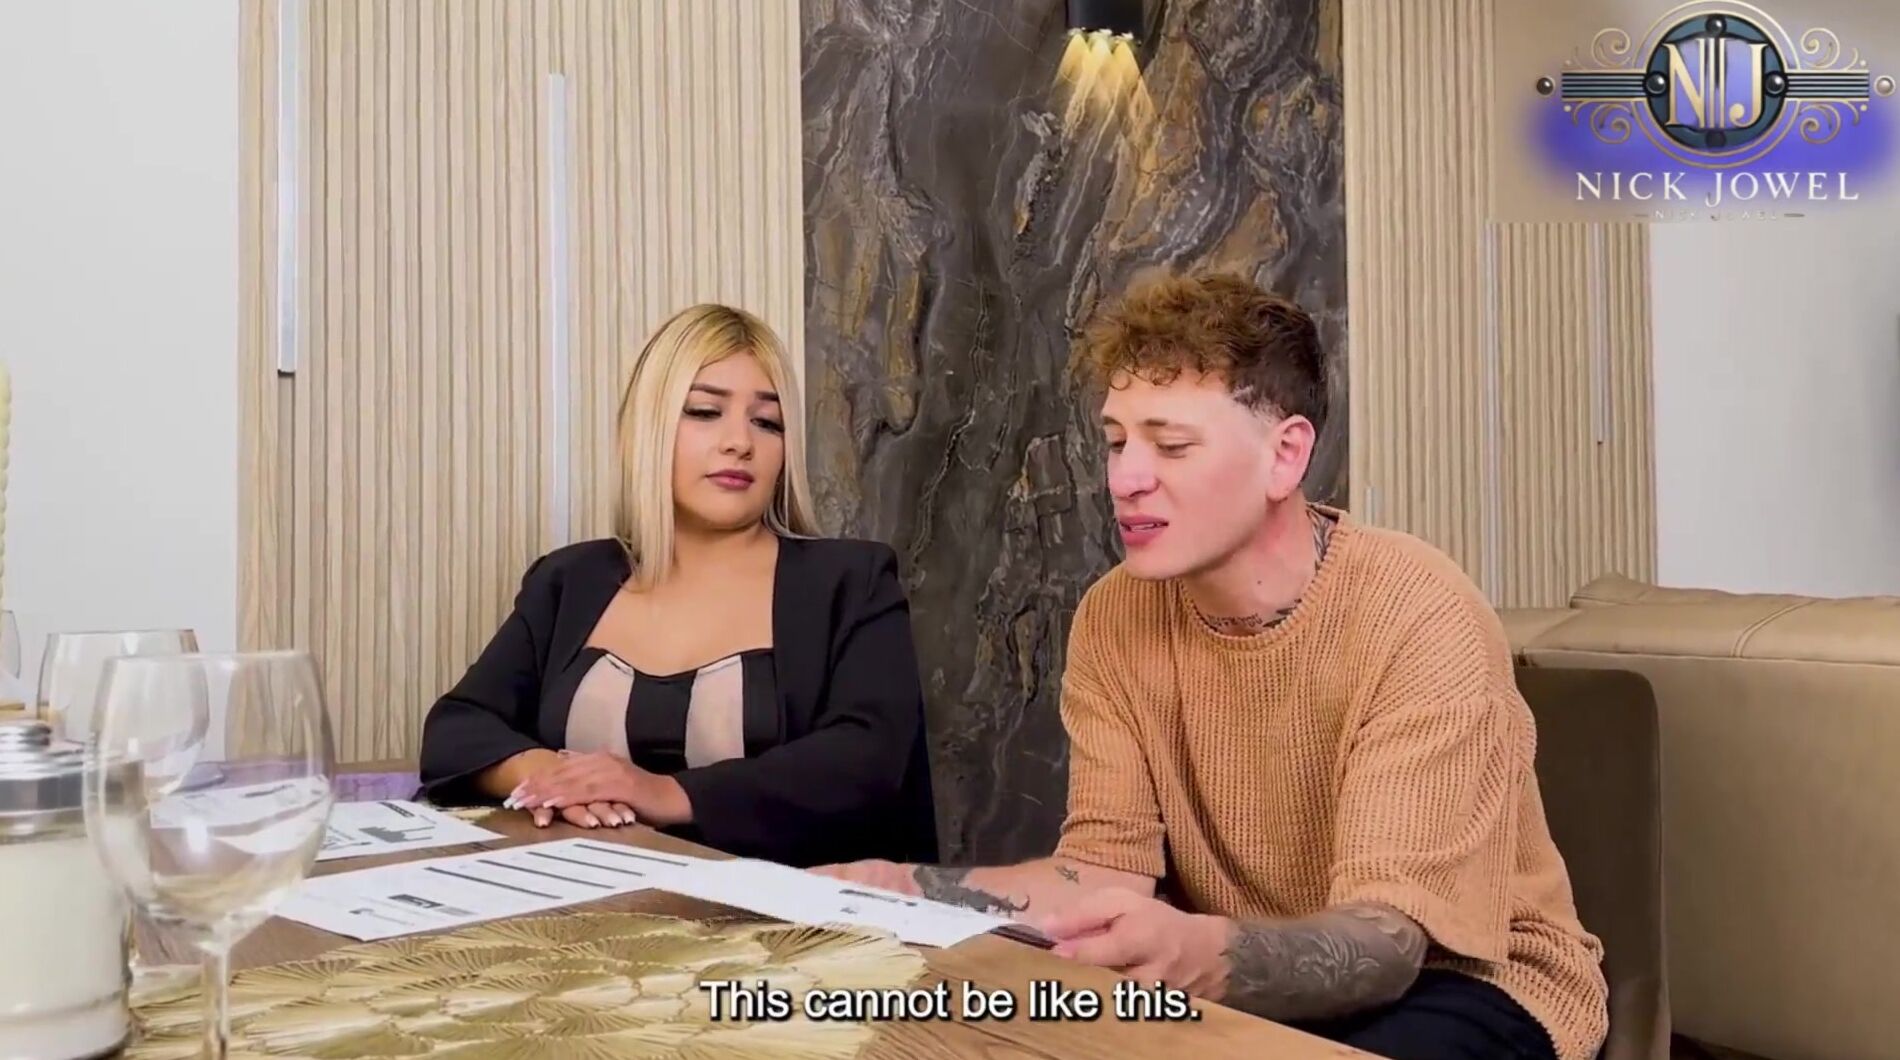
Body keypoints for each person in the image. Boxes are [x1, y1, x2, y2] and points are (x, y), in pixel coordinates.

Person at [817, 274, 1608, 1060]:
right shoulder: (1115, 615)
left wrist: (1208, 951)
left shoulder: (1415, 608)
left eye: (1171, 445)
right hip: (1247, 979)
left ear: (1284, 456)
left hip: (1469, 982)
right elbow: (1102, 872)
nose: (1124, 479)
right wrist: (901, 888)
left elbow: (1387, 943)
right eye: (1117, 441)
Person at [418, 303, 937, 868]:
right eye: (705, 412)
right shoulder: (570, 580)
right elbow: (457, 727)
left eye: (767, 422)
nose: (739, 442)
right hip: (580, 898)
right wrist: (549, 774)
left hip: (783, 911)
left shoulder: (853, 581)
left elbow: (868, 760)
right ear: (650, 427)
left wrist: (663, 792)